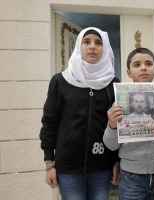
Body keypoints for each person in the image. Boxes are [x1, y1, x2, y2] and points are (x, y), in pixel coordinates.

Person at [39, 27, 120, 200]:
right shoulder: (60, 81)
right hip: (69, 167)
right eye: (86, 42)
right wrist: (49, 163)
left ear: (105, 48)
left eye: (98, 43)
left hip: (102, 166)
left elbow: (117, 126)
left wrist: (116, 161)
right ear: (79, 46)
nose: (92, 46)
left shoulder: (113, 84)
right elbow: (49, 123)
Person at [103, 47, 154, 200]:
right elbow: (111, 145)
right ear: (128, 72)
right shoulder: (119, 106)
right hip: (131, 175)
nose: (143, 67)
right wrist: (112, 125)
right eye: (137, 65)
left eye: (148, 64)